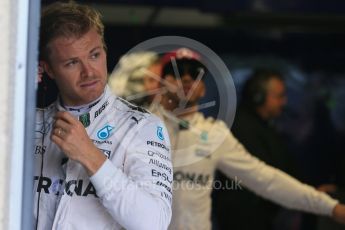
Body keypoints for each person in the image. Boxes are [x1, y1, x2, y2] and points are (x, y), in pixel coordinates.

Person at [149, 48, 345, 230]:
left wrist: (329, 207)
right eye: (176, 73)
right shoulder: (138, 128)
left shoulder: (214, 135)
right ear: (160, 83)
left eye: (195, 74)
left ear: (203, 89)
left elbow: (266, 179)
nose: (186, 79)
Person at [34, 2, 172, 230]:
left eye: (94, 55)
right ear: (48, 69)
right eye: (72, 63)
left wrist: (91, 156)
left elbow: (153, 223)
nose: (89, 72)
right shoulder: (27, 125)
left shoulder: (141, 126)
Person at [212, 69, 299, 230]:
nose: (284, 102)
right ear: (259, 97)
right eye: (279, 96)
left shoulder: (263, 126)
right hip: (245, 220)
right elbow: (268, 173)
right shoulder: (243, 128)